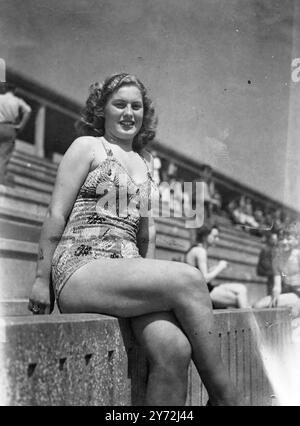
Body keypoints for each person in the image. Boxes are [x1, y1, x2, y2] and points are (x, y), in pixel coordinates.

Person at [28, 73, 239, 406]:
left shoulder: (145, 161)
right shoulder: (88, 147)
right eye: (120, 104)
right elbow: (56, 213)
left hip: (126, 271)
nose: (129, 113)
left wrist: (150, 279)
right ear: (103, 109)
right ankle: (226, 399)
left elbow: (146, 232)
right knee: (189, 278)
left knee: (175, 348)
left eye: (136, 106)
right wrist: (41, 280)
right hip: (82, 266)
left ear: (145, 113)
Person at [186, 224, 250, 309]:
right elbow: (205, 279)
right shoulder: (201, 251)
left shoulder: (196, 249)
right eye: (215, 236)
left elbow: (200, 274)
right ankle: (247, 321)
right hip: (201, 292)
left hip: (204, 289)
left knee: (241, 289)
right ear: (205, 236)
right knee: (240, 298)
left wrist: (213, 268)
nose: (217, 239)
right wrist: (220, 267)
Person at [254, 224, 300, 317]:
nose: (284, 242)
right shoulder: (277, 259)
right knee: (259, 306)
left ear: (296, 240)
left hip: (298, 292)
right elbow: (277, 285)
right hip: (287, 290)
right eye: (282, 239)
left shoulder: (298, 256)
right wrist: (276, 292)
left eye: (289, 239)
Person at [0, 83, 32, 184]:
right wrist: (21, 125)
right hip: (10, 128)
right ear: (14, 90)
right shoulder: (18, 101)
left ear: (4, 89)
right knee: (4, 156)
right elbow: (28, 110)